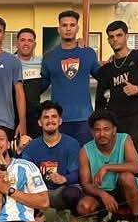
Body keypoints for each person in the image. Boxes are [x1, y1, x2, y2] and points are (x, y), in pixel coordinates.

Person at [95, 20, 138, 210]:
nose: (115, 39)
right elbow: (100, 100)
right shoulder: (106, 70)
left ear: (126, 36)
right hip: (114, 127)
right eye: (111, 37)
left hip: (137, 122)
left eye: (118, 35)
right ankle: (121, 213)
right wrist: (100, 126)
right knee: (116, 169)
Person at [76, 110, 138, 222]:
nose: (102, 134)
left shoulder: (124, 139)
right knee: (84, 207)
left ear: (114, 130)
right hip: (101, 191)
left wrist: (106, 167)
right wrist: (103, 195)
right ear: (92, 132)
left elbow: (135, 166)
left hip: (123, 189)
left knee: (127, 177)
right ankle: (107, 218)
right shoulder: (85, 150)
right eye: (97, 130)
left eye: (106, 129)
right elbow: (85, 183)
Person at [40, 10, 101, 146]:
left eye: (72, 25)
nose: (68, 29)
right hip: (58, 119)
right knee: (60, 160)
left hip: (84, 119)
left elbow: (103, 76)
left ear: (77, 28)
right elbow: (40, 85)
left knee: (84, 160)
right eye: (64, 25)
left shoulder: (88, 53)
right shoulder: (49, 56)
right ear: (59, 29)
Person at [19, 101, 82, 218]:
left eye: (54, 117)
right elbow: (23, 174)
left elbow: (77, 173)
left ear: (60, 121)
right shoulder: (31, 147)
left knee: (72, 193)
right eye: (46, 117)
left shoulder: (71, 144)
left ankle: (72, 215)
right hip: (39, 193)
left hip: (62, 190)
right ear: (39, 122)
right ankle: (41, 215)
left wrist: (64, 178)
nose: (50, 120)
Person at [15, 27, 44, 139]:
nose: (26, 43)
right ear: (17, 43)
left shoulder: (42, 62)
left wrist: (78, 43)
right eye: (22, 40)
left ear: (35, 44)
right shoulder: (9, 62)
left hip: (34, 118)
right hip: (12, 117)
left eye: (30, 40)